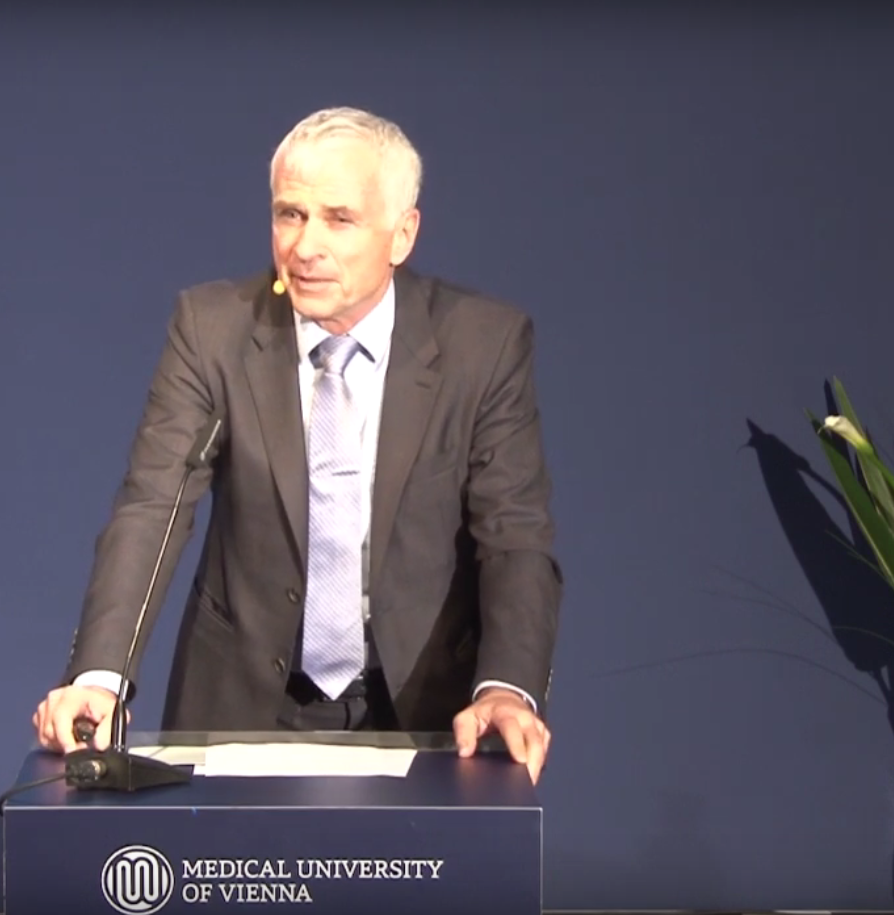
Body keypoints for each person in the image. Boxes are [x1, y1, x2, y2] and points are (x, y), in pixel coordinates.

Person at [31, 106, 563, 782]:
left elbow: (514, 534)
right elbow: (153, 505)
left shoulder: (482, 345)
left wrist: (507, 688)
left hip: (427, 704)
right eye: (290, 214)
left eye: (339, 219)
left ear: (402, 234)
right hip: (242, 697)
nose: (306, 246)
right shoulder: (212, 329)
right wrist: (99, 676)